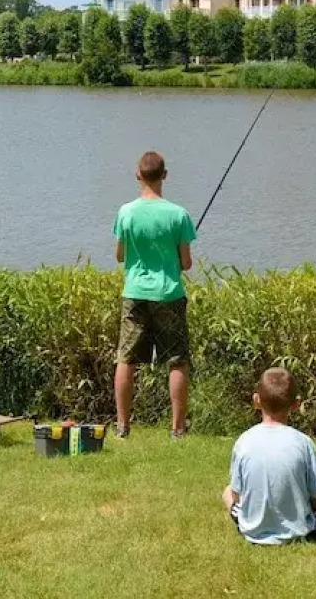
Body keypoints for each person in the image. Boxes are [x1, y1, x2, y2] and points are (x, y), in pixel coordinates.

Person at [113, 150, 195, 439]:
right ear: (165, 175)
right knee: (177, 360)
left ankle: (122, 427)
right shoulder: (179, 214)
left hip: (134, 292)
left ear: (138, 175)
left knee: (126, 359)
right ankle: (177, 429)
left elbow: (120, 256)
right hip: (169, 294)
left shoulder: (125, 212)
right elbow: (186, 263)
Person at [222, 368, 316, 544]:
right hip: (297, 530)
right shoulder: (303, 443)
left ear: (256, 400)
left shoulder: (243, 441)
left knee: (227, 491)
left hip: (251, 528)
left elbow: (237, 495)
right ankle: (301, 522)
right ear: (296, 404)